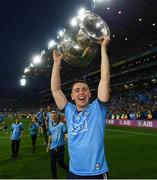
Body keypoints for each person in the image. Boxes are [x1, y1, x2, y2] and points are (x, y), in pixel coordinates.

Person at [51, 35, 110, 179]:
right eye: (77, 90)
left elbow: (104, 78)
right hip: (74, 173)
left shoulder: (98, 108)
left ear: (90, 94)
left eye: (84, 89)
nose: (81, 92)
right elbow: (56, 90)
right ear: (72, 96)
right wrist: (56, 62)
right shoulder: (69, 110)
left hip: (97, 172)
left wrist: (103, 47)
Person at [47, 111, 69, 179]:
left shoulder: (62, 125)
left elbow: (66, 134)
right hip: (52, 148)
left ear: (57, 117)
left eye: (54, 116)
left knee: (60, 163)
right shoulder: (50, 125)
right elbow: (50, 135)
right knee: (52, 165)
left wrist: (68, 140)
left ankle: (69, 170)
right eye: (51, 117)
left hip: (60, 147)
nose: (52, 118)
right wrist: (48, 145)